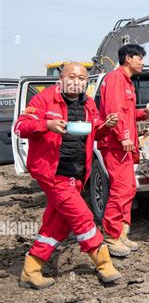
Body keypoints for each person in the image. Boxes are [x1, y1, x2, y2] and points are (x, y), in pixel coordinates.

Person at [14, 63, 121, 289]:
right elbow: (21, 126)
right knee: (83, 217)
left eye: (82, 78)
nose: (76, 81)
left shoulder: (89, 103)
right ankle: (104, 263)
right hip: (53, 173)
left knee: (57, 225)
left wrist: (105, 126)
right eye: (71, 76)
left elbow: (94, 131)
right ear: (60, 79)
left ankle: (31, 270)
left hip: (78, 173)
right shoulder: (44, 99)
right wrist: (47, 125)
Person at [98, 44, 149, 257]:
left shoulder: (128, 83)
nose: (142, 62)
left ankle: (122, 232)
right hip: (116, 145)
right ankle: (111, 238)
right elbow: (114, 112)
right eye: (139, 57)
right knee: (120, 190)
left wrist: (144, 113)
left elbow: (127, 113)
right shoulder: (115, 79)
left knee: (129, 188)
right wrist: (123, 136)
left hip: (126, 145)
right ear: (128, 58)